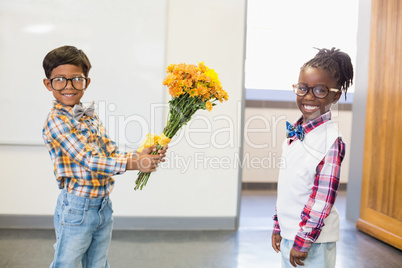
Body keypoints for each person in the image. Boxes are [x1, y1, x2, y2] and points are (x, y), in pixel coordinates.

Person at [42, 45, 167, 267]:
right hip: (77, 208)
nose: (69, 86)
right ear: (48, 84)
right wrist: (134, 163)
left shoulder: (88, 115)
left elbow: (109, 152)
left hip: (103, 205)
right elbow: (90, 160)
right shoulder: (57, 121)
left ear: (86, 82)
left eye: (77, 79)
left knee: (98, 263)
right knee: (66, 263)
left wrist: (140, 155)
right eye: (60, 79)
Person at [271, 47, 354, 268]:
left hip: (313, 242)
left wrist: (303, 241)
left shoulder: (330, 141)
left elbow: (322, 199)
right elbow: (288, 187)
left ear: (335, 96)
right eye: (303, 88)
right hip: (292, 234)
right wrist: (279, 227)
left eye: (320, 90)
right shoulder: (294, 134)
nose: (309, 96)